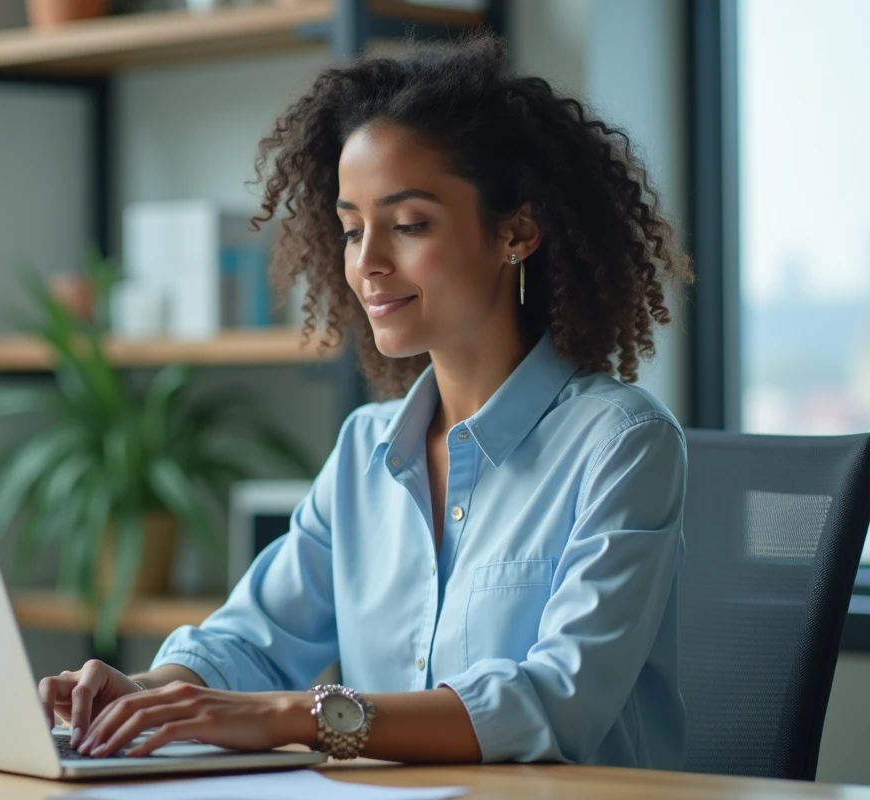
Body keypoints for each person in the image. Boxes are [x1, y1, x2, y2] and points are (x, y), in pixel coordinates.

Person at [37, 30, 694, 769]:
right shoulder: (365, 450)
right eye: (352, 230)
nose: (369, 263)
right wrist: (147, 692)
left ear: (517, 230)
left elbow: (553, 703)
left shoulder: (621, 444)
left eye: (409, 225)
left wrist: (295, 716)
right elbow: (251, 641)